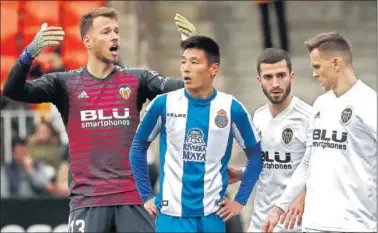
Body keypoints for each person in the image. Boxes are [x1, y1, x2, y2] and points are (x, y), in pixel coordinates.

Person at [3, 7, 196, 233]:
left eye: (116, 31)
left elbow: (190, 88)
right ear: (88, 41)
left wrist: (193, 52)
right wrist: (28, 54)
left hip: (132, 201)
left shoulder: (137, 79)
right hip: (88, 203)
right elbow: (13, 90)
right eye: (106, 32)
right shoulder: (64, 83)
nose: (114, 36)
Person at [130, 35, 263, 232]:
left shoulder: (231, 108)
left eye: (194, 62)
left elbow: (256, 156)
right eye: (183, 61)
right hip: (172, 217)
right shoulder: (163, 104)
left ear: (214, 68)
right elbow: (137, 147)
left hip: (212, 217)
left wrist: (240, 201)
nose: (186, 68)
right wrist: (146, 196)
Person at [263, 32, 377, 232]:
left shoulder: (369, 103)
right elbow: (307, 162)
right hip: (314, 225)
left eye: (317, 67)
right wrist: (279, 207)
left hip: (354, 226)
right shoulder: (320, 104)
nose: (314, 74)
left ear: (335, 63)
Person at [227, 48, 313, 232]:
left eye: (281, 75)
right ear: (259, 81)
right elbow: (268, 163)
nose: (275, 83)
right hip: (261, 222)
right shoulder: (258, 117)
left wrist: (304, 195)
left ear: (292, 76)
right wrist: (241, 173)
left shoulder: (309, 117)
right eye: (268, 77)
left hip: (294, 224)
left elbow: (320, 169)